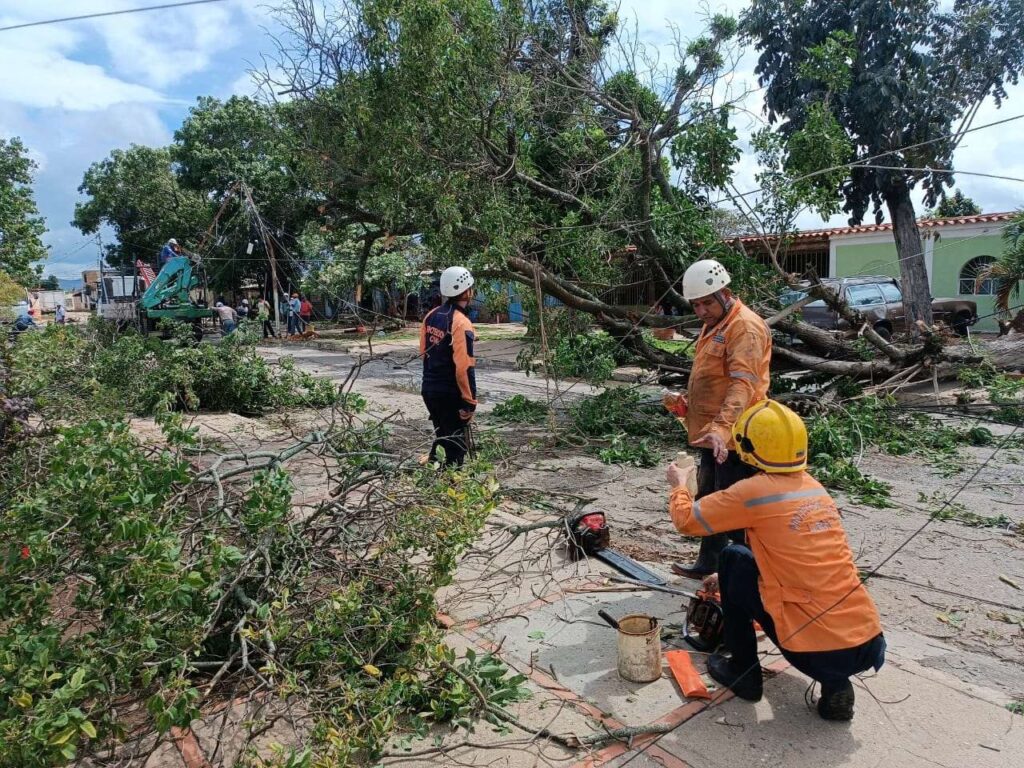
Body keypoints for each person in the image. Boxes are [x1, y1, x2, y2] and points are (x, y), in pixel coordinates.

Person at [666, 400, 885, 721]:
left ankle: (743, 672)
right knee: (742, 562)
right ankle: (835, 683)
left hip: (814, 648)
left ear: (747, 446)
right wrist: (725, 580)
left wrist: (679, 485)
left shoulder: (753, 491)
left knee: (730, 556)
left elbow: (686, 520)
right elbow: (787, 553)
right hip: (867, 640)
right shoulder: (815, 490)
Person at [665, 259, 771, 579]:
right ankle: (709, 563)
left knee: (735, 505)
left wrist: (722, 428)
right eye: (695, 305)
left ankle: (746, 577)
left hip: (736, 437)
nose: (701, 311)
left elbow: (743, 384)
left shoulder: (745, 327)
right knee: (708, 497)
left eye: (706, 303)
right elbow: (714, 377)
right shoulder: (715, 323)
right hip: (710, 433)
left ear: (725, 292)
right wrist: (688, 403)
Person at [420, 266, 477, 467]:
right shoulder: (462, 323)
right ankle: (450, 487)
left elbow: (424, 354)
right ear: (467, 291)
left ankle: (430, 473)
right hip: (450, 394)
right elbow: (464, 366)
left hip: (429, 389)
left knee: (443, 436)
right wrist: (469, 402)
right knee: (455, 448)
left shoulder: (431, 316)